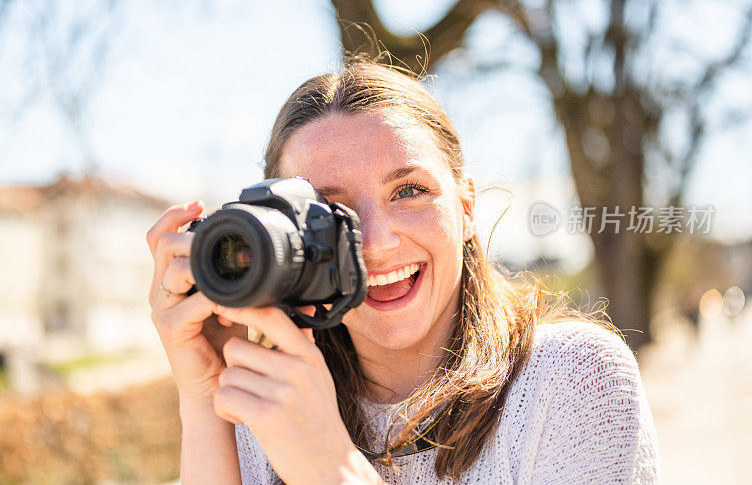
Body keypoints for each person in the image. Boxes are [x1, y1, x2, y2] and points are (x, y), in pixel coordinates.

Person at [146, 56, 660, 484]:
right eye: (331, 212)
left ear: (465, 208)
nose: (376, 242)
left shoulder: (568, 380)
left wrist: (337, 471)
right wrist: (205, 395)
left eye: (408, 191)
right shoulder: (265, 405)